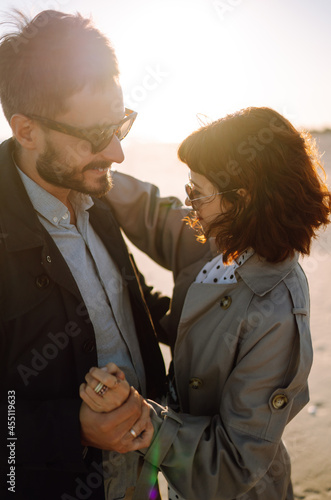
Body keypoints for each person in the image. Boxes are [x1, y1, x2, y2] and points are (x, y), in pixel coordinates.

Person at [84, 107, 331, 499]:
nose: (189, 204)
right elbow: (153, 215)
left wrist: (141, 418)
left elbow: (234, 463)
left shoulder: (277, 311)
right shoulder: (224, 239)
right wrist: (95, 170)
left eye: (196, 192)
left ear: (241, 199)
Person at [0, 10, 169, 500]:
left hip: (143, 471)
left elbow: (129, 296)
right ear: (26, 130)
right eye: (95, 136)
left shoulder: (96, 192)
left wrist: (223, 324)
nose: (117, 152)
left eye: (120, 125)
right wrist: (72, 428)